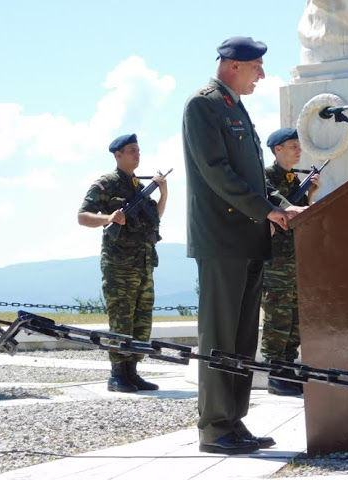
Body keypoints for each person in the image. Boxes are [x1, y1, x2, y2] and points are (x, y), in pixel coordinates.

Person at [182, 37, 301, 455]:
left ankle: (234, 421)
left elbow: (253, 178)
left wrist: (285, 206)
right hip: (222, 238)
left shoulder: (233, 106)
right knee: (220, 334)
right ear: (233, 65)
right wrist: (266, 210)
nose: (262, 75)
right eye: (257, 67)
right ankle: (214, 428)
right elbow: (217, 172)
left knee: (242, 336)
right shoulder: (203, 105)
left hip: (250, 237)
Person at [78, 133, 168, 392]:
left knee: (142, 319)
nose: (137, 154)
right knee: (121, 319)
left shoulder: (139, 186)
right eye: (131, 150)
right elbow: (82, 216)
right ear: (118, 155)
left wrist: (163, 193)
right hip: (119, 266)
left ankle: (132, 372)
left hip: (144, 263)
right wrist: (108, 218)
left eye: (138, 150)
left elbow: (154, 219)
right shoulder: (107, 183)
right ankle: (117, 374)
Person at [262, 128, 319, 396]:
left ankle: (287, 367)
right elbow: (283, 210)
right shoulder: (266, 177)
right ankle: (275, 373)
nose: (298, 150)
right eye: (292, 145)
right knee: (278, 317)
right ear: (277, 150)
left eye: (298, 145)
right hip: (275, 260)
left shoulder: (295, 181)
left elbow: (303, 217)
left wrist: (311, 195)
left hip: (295, 258)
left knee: (295, 317)